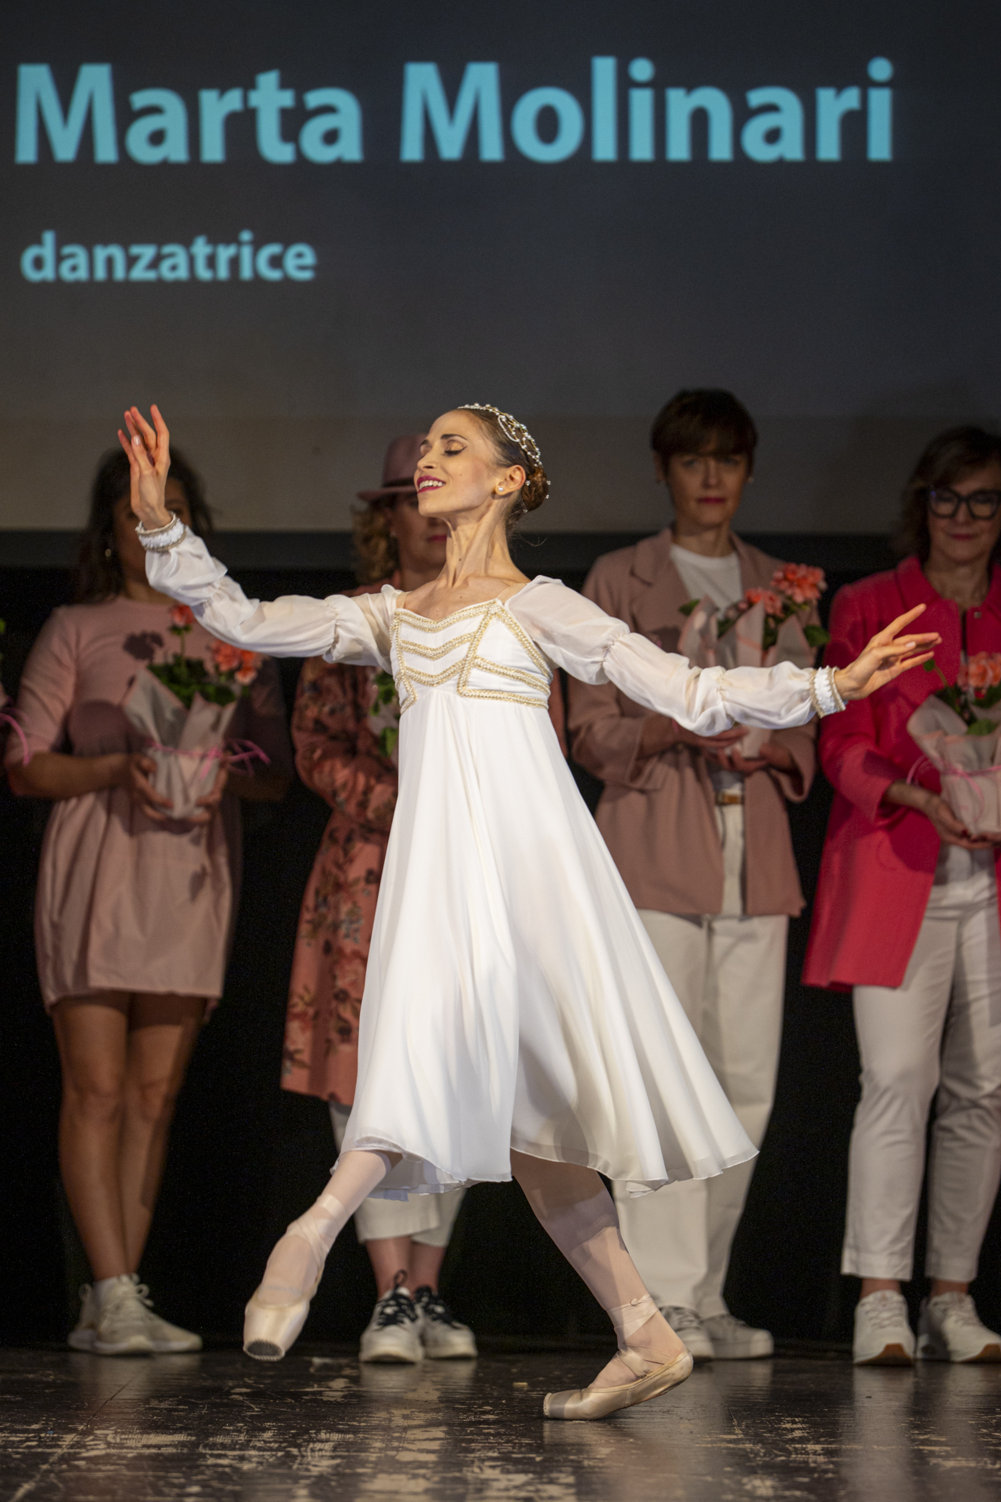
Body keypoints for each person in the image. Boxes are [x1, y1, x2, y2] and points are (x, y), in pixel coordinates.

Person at [120, 400, 931, 1419]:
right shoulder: (389, 615)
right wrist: (162, 527)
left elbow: (682, 690)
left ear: (507, 480)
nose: (429, 459)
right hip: (439, 876)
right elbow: (242, 618)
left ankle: (312, 1231)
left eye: (452, 446)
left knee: (468, 1076)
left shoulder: (540, 605)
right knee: (529, 1127)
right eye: (425, 447)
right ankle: (645, 1332)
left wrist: (826, 687)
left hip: (532, 882)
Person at [6, 447, 291, 1356]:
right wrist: (114, 768)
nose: (151, 526)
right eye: (135, 511)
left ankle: (119, 1294)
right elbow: (24, 761)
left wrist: (221, 771)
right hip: (99, 862)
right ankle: (112, 1287)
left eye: (171, 509)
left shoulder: (232, 631)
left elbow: (273, 768)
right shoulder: (77, 626)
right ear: (108, 529)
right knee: (95, 1086)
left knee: (155, 1093)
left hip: (191, 867)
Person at [569, 389, 819, 1361]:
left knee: (745, 1084)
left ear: (748, 469)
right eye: (691, 460)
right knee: (660, 1079)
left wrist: (769, 740)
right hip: (654, 850)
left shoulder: (781, 585)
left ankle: (705, 1293)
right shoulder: (619, 577)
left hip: (755, 858)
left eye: (727, 459)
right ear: (663, 470)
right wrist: (677, 724)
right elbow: (589, 726)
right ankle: (661, 1296)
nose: (711, 478)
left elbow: (807, 719)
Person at [804, 426, 1001, 1365]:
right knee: (896, 1079)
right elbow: (840, 742)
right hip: (899, 869)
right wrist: (915, 793)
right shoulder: (871, 605)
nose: (963, 517)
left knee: (984, 1090)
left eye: (983, 500)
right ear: (921, 504)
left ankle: (953, 1297)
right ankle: (881, 1297)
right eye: (947, 498)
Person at [284, 435, 475, 1361]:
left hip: (466, 865)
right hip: (370, 861)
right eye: (413, 499)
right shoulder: (356, 621)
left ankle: (429, 1288)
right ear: (388, 517)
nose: (431, 516)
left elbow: (540, 742)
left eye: (446, 498)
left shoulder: (495, 616)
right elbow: (315, 742)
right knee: (365, 1067)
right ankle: (389, 1289)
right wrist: (399, 802)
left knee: (458, 1065)